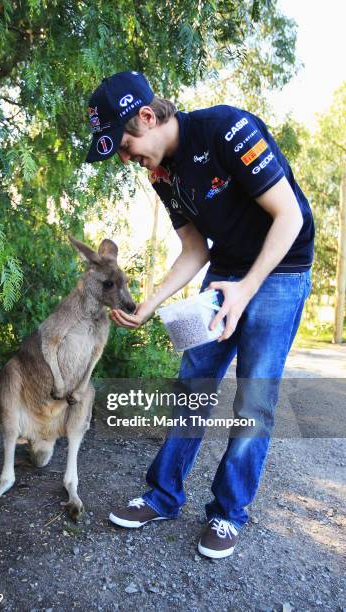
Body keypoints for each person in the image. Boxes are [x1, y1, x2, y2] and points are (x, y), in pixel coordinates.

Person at [85, 71, 314, 559]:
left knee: (254, 400)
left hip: (281, 271)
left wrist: (246, 291)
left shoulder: (227, 130)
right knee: (193, 384)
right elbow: (194, 248)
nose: (125, 158)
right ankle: (163, 495)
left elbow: (289, 215)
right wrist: (151, 303)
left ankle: (228, 514)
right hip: (225, 272)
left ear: (147, 117)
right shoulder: (160, 175)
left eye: (124, 144)